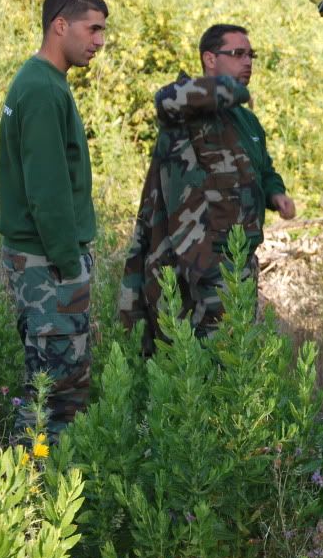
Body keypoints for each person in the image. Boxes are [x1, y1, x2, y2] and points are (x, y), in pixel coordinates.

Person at [119, 24, 295, 352]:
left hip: (241, 256)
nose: (248, 62)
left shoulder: (247, 122)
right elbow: (165, 100)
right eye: (238, 54)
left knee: (234, 349)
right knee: (197, 348)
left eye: (251, 55)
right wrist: (233, 90)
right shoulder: (186, 110)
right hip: (198, 257)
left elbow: (265, 169)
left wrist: (276, 194)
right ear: (209, 59)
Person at [0, 0, 109, 441]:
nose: (100, 40)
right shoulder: (42, 89)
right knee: (57, 393)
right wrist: (69, 266)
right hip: (49, 264)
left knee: (51, 381)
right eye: (93, 28)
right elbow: (47, 191)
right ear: (60, 25)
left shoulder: (41, 81)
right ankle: (37, 492)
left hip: (41, 260)